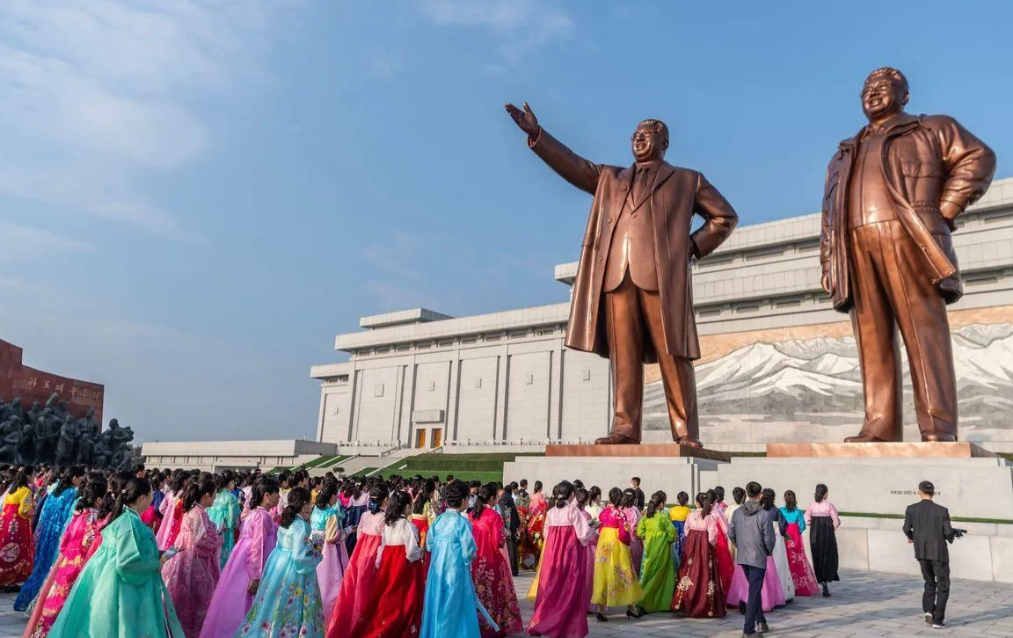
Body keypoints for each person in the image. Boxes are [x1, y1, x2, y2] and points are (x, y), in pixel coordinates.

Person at [505, 103, 738, 447]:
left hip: (661, 278)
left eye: (647, 134)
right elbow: (573, 165)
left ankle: (685, 430)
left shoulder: (688, 180)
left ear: (665, 142)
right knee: (624, 357)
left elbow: (724, 217)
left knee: (673, 355)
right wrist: (538, 135)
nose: (638, 138)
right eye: (635, 134)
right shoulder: (610, 178)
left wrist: (689, 248)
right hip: (617, 277)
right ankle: (625, 427)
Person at [820, 67, 995, 444]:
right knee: (872, 339)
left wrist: (944, 208)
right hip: (855, 246)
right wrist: (829, 261)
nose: (873, 93)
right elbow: (828, 214)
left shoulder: (930, 129)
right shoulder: (843, 153)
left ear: (906, 95)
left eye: (884, 87)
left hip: (909, 238)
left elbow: (978, 157)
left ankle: (938, 427)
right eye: (866, 88)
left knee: (923, 332)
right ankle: (879, 425)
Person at [47, 477, 186, 638]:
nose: (151, 500)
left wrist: (158, 553)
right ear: (142, 498)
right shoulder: (130, 522)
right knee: (120, 627)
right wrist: (156, 563)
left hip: (109, 579)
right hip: (123, 587)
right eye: (150, 496)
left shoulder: (127, 518)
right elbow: (127, 563)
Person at [235, 487, 325, 638]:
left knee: (272, 601)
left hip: (278, 563)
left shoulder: (287, 519)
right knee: (290, 604)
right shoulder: (300, 525)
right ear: (304, 504)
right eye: (311, 502)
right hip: (293, 569)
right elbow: (299, 556)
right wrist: (316, 554)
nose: (312, 505)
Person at [22, 478, 107, 638]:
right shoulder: (97, 521)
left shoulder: (79, 514)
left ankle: (42, 632)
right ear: (99, 499)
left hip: (65, 562)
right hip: (81, 566)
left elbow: (64, 540)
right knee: (69, 604)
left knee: (55, 599)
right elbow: (93, 547)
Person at [200, 477, 280, 638]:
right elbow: (257, 547)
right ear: (266, 495)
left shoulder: (254, 514)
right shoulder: (263, 517)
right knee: (247, 603)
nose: (279, 496)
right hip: (252, 566)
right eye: (276, 493)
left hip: (240, 562)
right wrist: (256, 576)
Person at [349, 490, 425, 638]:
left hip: (388, 566)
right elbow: (411, 552)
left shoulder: (389, 523)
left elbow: (382, 546)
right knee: (404, 602)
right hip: (403, 568)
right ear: (407, 507)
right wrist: (420, 552)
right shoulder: (407, 525)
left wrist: (379, 564)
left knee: (384, 598)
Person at [526, 481, 595, 638]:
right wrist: (594, 530)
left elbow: (546, 534)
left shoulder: (551, 512)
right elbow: (583, 535)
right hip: (570, 556)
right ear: (571, 495)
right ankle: (564, 625)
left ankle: (541, 621)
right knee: (570, 589)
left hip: (552, 556)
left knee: (552, 588)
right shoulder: (573, 510)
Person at [15, 465, 84, 611]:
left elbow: (43, 511)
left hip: (45, 533)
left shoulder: (55, 490)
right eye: (81, 477)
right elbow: (68, 518)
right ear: (74, 478)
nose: (82, 480)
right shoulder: (72, 493)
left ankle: (25, 599)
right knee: (48, 569)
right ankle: (36, 605)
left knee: (40, 566)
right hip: (56, 535)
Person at [420, 480, 482, 638]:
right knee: (455, 609)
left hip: (436, 572)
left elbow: (429, 545)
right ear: (463, 501)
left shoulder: (438, 521)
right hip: (455, 573)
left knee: (436, 606)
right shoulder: (462, 523)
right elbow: (469, 552)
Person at [162, 477, 223, 638]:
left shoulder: (192, 510)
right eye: (214, 495)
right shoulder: (199, 513)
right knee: (198, 596)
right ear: (207, 495)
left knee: (182, 592)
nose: (215, 498)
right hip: (192, 557)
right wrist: (217, 539)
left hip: (182, 553)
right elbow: (200, 541)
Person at [327, 483, 389, 637]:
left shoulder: (365, 515)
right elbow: (383, 543)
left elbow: (359, 534)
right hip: (373, 556)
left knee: (355, 588)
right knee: (367, 591)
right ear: (386, 500)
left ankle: (351, 620)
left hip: (360, 555)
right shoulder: (385, 518)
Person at [470, 483, 523, 637]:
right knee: (494, 594)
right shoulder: (494, 516)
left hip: (475, 560)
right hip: (491, 560)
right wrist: (505, 534)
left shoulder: (473, 513)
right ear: (492, 498)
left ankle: (478, 625)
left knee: (478, 594)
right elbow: (498, 542)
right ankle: (494, 625)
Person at [903, 480, 955, 629]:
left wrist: (912, 537)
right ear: (933, 493)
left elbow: (906, 528)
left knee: (929, 582)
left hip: (921, 552)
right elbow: (948, 532)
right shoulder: (942, 510)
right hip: (939, 553)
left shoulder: (911, 509)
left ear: (919, 492)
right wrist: (951, 537)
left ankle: (928, 610)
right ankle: (938, 620)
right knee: (943, 585)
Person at [728, 481, 776, 638]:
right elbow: (769, 539)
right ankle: (748, 630)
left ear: (747, 493)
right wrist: (766, 551)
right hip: (758, 556)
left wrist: (740, 546)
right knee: (754, 592)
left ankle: (761, 621)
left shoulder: (737, 513)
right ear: (760, 494)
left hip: (744, 557)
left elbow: (731, 533)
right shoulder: (764, 515)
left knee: (754, 590)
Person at [671, 492, 726, 619]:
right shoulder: (709, 517)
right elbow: (713, 535)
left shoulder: (691, 515)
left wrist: (692, 539)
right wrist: (711, 544)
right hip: (705, 546)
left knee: (689, 571)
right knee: (705, 571)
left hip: (691, 545)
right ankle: (705, 605)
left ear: (697, 503)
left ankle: (685, 602)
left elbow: (686, 530)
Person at [592, 487, 643, 621]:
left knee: (603, 574)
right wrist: (627, 543)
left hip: (603, 546)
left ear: (609, 497)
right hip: (617, 546)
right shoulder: (620, 514)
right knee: (626, 572)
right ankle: (631, 607)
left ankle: (600, 610)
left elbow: (601, 528)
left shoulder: (603, 513)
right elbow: (624, 534)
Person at [311, 481, 347, 624]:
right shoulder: (330, 513)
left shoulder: (316, 509)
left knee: (317, 574)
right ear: (332, 496)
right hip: (328, 547)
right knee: (331, 579)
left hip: (315, 542)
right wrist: (346, 533)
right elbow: (332, 537)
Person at [636, 490, 678, 614]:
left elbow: (639, 532)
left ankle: (643, 600)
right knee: (663, 576)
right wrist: (667, 540)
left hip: (649, 549)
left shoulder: (646, 517)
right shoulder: (662, 516)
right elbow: (672, 532)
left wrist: (647, 537)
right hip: (662, 549)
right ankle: (656, 602)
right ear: (661, 504)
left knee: (648, 575)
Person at [780, 490, 820, 597]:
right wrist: (797, 533)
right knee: (797, 560)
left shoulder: (781, 511)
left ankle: (787, 586)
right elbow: (802, 526)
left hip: (784, 537)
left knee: (786, 559)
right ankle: (799, 586)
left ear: (785, 499)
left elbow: (779, 525)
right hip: (795, 537)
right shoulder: (798, 512)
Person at [805, 483, 841, 597]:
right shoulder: (829, 505)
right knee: (828, 555)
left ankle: (821, 579)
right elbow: (836, 520)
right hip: (827, 533)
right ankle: (827, 577)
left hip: (815, 533)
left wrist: (812, 524)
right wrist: (833, 527)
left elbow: (806, 518)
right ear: (825, 494)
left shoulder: (812, 506)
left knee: (818, 556)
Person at [0, 471, 34, 587]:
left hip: (5, 523)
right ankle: (13, 579)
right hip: (18, 524)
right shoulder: (26, 491)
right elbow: (23, 510)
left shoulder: (10, 491)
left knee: (4, 546)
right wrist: (31, 513)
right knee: (18, 549)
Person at [761, 488, 794, 604]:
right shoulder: (776, 512)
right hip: (777, 542)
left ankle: (765, 595)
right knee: (779, 566)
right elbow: (783, 526)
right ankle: (780, 594)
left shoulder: (759, 511)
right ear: (773, 498)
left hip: (762, 541)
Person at [206, 471, 241, 570]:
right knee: (223, 556)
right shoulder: (231, 497)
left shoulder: (213, 495)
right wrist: (234, 526)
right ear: (230, 482)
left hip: (210, 528)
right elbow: (234, 518)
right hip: (224, 530)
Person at [157, 471, 188, 550]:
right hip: (179, 522)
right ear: (184, 481)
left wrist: (168, 514)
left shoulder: (171, 492)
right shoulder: (184, 494)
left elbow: (161, 507)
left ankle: (164, 559)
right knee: (175, 542)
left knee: (166, 539)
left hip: (168, 521)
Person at [499, 482, 521, 576]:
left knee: (509, 547)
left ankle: (511, 568)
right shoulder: (509, 498)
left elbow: (505, 514)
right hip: (512, 525)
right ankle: (514, 569)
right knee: (512, 548)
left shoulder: (503, 499)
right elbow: (515, 512)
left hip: (508, 526)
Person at [620, 488, 643, 575]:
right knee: (634, 563)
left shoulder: (619, 509)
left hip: (621, 539)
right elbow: (640, 523)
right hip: (633, 540)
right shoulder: (635, 509)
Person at [668, 491, 691, 565]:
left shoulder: (672, 510)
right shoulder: (688, 510)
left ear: (677, 500)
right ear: (687, 501)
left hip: (674, 533)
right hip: (683, 534)